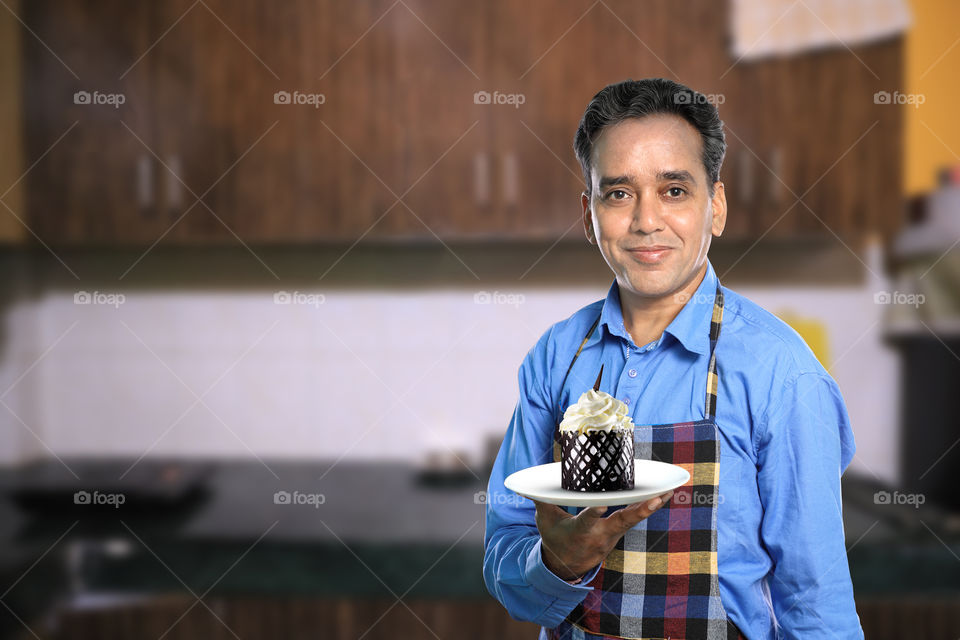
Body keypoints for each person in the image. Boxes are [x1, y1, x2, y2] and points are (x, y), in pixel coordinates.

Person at [482, 78, 863, 639]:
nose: (645, 221)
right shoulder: (557, 357)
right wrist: (557, 562)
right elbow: (503, 556)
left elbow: (814, 604)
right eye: (618, 193)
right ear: (589, 215)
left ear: (717, 207)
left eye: (674, 190)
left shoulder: (780, 372)